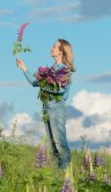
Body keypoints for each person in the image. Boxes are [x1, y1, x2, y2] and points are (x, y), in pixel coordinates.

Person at [16, 39, 76, 170]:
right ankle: (58, 175)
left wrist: (44, 85)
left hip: (56, 110)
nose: (51, 48)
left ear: (61, 52)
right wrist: (24, 68)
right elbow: (34, 82)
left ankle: (68, 175)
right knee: (52, 145)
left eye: (54, 46)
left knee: (61, 145)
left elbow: (60, 90)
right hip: (46, 109)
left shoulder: (64, 70)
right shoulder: (51, 70)